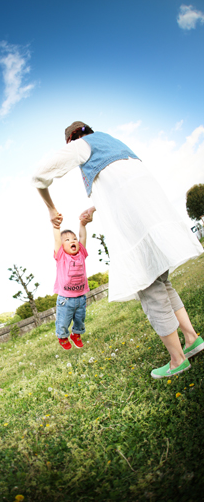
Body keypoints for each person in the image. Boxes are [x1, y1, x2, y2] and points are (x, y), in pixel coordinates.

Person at [32, 121, 204, 379]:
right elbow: (123, 185)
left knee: (148, 285)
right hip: (152, 214)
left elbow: (38, 176)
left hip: (132, 226)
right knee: (163, 282)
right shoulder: (112, 141)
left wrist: (50, 208)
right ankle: (191, 338)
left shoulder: (80, 146)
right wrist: (93, 208)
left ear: (71, 140)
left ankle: (177, 358)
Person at [53, 219, 89, 350]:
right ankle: (62, 336)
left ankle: (76, 335)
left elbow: (82, 236)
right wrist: (56, 227)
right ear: (62, 246)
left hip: (81, 297)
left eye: (74, 239)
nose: (73, 241)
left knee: (80, 319)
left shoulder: (81, 254)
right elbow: (57, 240)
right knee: (63, 322)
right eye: (67, 240)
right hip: (65, 299)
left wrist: (82, 225)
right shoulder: (61, 256)